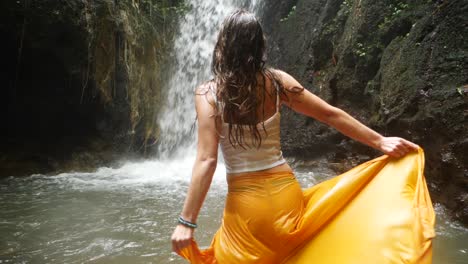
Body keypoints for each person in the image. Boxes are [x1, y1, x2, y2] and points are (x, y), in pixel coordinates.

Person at [171, 10, 434, 264]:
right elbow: (330, 115)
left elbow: (207, 160)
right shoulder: (278, 83)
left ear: (223, 46)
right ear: (259, 46)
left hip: (247, 206)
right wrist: (380, 141)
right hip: (287, 196)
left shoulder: (208, 94)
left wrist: (187, 222)